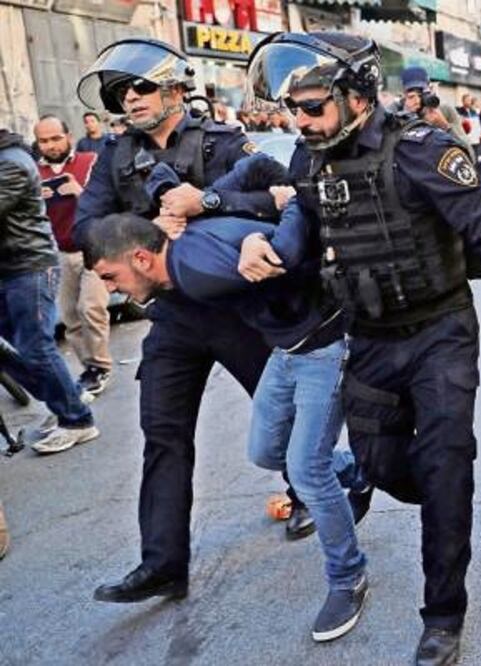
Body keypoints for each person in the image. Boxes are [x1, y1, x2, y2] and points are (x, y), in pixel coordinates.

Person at [241, 31, 481, 664]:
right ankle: (414, 487)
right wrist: (249, 238)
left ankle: (443, 615)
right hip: (368, 339)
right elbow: (297, 217)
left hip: (440, 334)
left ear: (358, 98)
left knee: (446, 470)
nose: (302, 122)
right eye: (294, 110)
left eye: (313, 107)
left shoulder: (423, 152)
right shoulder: (308, 159)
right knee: (384, 467)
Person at [83, 167, 372, 641]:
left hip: (323, 346)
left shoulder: (195, 272)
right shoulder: (182, 253)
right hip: (286, 350)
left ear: (139, 257)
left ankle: (347, 577)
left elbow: (286, 252)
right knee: (266, 451)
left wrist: (293, 201)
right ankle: (361, 469)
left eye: (111, 276)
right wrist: (218, 204)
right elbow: (237, 184)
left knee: (306, 470)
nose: (111, 288)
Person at [72, 37, 311, 606]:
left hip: (237, 306)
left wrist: (204, 203)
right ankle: (162, 563)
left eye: (141, 86)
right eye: (119, 91)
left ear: (176, 88)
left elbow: (280, 196)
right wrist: (152, 228)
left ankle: (312, 493)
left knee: (280, 410)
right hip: (173, 313)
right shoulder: (115, 156)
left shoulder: (226, 142)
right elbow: (87, 226)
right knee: (162, 431)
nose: (129, 98)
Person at [0, 127, 99, 454]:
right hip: (8, 269)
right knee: (12, 350)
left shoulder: (11, 163)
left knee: (35, 347)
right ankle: (67, 394)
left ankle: (77, 420)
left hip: (28, 266)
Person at [33, 115, 113, 397]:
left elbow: (105, 200)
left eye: (56, 138)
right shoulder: (32, 172)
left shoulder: (90, 160)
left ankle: (101, 366)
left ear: (68, 136)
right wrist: (36, 199)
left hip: (94, 246)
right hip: (60, 252)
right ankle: (90, 368)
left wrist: (79, 192)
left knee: (91, 307)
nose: (51, 145)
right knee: (70, 316)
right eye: (44, 140)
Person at [400, 66, 472, 158]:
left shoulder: (444, 110)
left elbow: (470, 155)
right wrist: (407, 115)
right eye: (411, 94)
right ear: (404, 94)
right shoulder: (397, 113)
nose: (417, 100)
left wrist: (445, 126)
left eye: (421, 93)